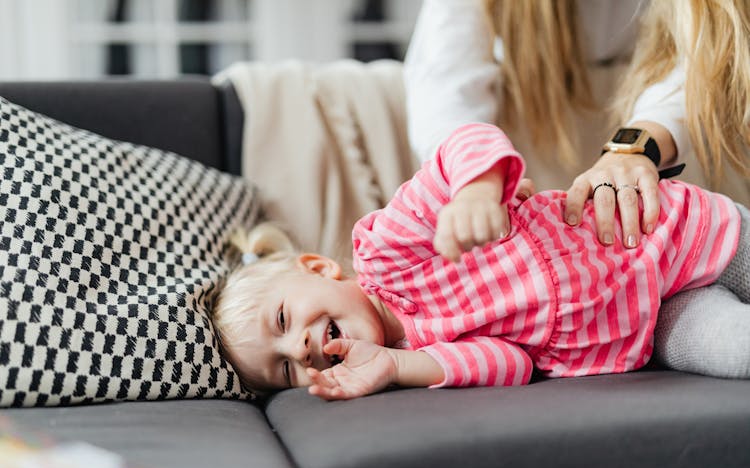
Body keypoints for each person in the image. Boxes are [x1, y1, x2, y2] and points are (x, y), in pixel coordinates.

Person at [211, 123, 749, 400]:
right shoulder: (415, 354)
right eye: (285, 371)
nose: (300, 350)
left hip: (668, 234)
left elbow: (464, 142)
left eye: (282, 321)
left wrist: (474, 192)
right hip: (654, 327)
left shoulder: (387, 251)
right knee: (736, 349)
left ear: (319, 268)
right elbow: (512, 363)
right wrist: (397, 368)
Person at [404, 0, 750, 248]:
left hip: (678, 141)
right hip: (539, 136)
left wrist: (634, 149)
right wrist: (477, 178)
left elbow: (705, 60)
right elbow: (446, 80)